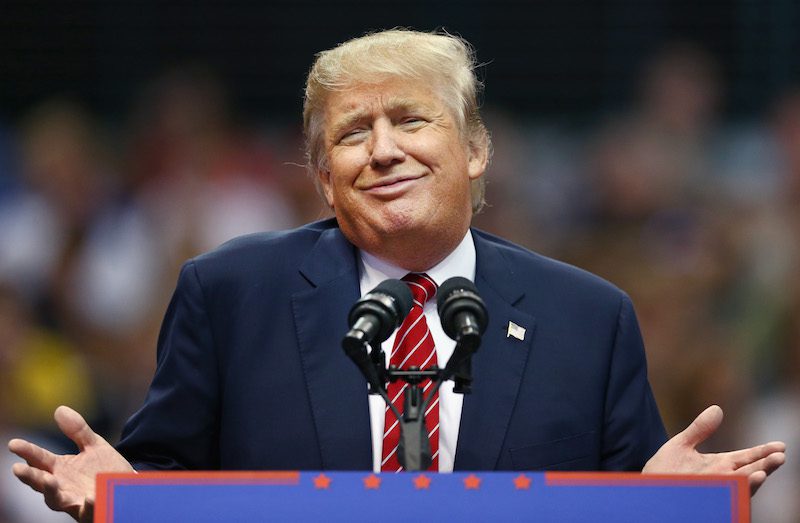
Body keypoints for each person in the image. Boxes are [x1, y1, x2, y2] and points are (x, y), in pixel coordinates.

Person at [8, 29, 785, 522]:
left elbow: (624, 501)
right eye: (352, 133)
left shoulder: (588, 314)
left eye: (411, 120)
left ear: (476, 150)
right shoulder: (230, 294)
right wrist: (120, 496)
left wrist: (671, 505)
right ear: (322, 175)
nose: (383, 150)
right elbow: (166, 481)